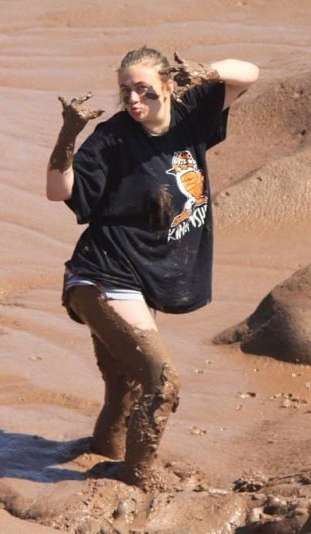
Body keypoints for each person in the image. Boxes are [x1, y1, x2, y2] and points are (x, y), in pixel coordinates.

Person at [46, 46, 259, 491]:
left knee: (125, 390)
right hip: (102, 277)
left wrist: (204, 72)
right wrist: (68, 137)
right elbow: (57, 190)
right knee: (162, 384)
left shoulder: (191, 114)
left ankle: (103, 457)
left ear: (169, 86)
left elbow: (249, 74)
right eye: (126, 91)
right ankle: (140, 482)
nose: (134, 100)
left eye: (145, 90)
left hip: (142, 281)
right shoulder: (112, 138)